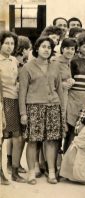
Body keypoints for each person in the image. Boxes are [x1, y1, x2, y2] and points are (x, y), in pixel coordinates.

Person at [19, 36, 66, 184]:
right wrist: (23, 113)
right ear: (37, 49)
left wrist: (61, 111)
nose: (46, 50)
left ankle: (51, 172)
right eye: (43, 46)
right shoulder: (28, 67)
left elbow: (59, 89)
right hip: (34, 107)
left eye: (49, 47)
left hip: (53, 107)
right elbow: (22, 92)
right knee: (33, 141)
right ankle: (31, 173)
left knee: (51, 140)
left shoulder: (55, 67)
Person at [0, 31, 26, 183]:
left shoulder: (15, 61)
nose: (10, 46)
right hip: (4, 102)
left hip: (16, 101)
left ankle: (14, 171)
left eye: (12, 43)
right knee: (2, 138)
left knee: (17, 137)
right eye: (6, 43)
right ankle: (1, 172)